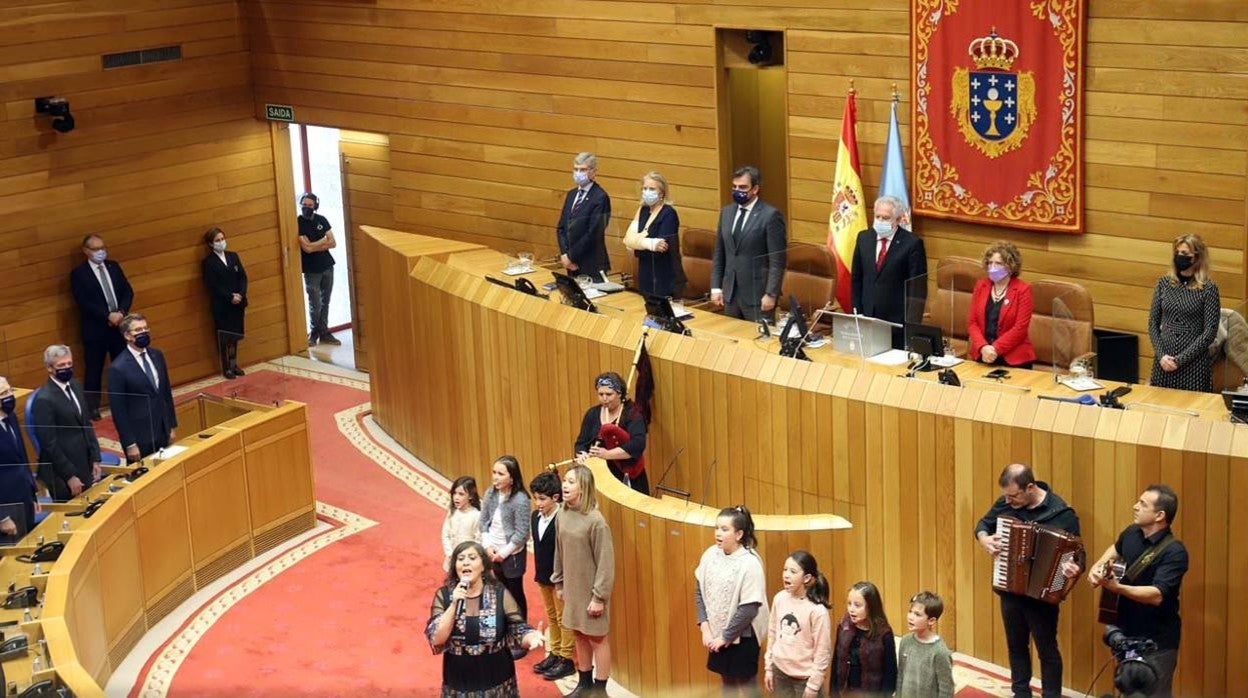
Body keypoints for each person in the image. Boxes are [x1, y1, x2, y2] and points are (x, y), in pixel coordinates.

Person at [974, 463, 1084, 698]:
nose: (1008, 501)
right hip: (1010, 589)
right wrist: (985, 540)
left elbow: (1078, 555)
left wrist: (1075, 568)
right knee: (1016, 646)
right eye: (1006, 495)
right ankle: (1020, 693)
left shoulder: (1062, 514)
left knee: (1047, 651)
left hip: (1042, 597)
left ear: (1030, 487)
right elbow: (983, 525)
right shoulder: (1007, 503)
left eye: (1013, 495)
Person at [1086, 485, 1188, 697]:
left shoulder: (1174, 551)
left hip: (1156, 642)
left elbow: (1157, 595)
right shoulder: (1132, 533)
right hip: (1125, 633)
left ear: (1160, 515)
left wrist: (1118, 588)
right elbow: (1115, 549)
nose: (1135, 506)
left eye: (1143, 504)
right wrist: (1098, 567)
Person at [427, 540, 545, 697]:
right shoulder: (445, 595)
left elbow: (517, 628)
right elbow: (436, 639)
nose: (465, 562)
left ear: (483, 565)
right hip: (459, 681)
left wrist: (530, 637)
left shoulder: (499, 593)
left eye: (472, 557)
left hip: (498, 680)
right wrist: (454, 604)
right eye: (460, 559)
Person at [552, 464, 616, 697]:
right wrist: (558, 582)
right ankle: (584, 684)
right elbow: (558, 550)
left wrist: (599, 597)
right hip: (572, 588)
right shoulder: (563, 513)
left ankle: (600, 690)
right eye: (565, 481)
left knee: (598, 639)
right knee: (579, 634)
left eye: (571, 482)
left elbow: (606, 562)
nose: (565, 485)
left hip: (591, 592)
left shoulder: (596, 521)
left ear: (584, 487)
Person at [694, 505, 769, 695]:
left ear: (739, 534)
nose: (718, 533)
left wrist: (725, 637)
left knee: (748, 686)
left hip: (743, 636)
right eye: (717, 528)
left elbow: (749, 608)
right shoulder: (710, 554)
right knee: (727, 684)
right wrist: (705, 628)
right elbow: (700, 591)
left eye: (724, 529)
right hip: (716, 634)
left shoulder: (750, 562)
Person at [69, 234, 134, 420]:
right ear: (86, 251)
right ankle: (92, 408)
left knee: (123, 366)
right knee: (94, 369)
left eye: (102, 248)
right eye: (96, 249)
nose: (101, 252)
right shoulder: (79, 274)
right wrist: (107, 315)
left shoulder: (113, 267)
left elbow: (127, 291)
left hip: (119, 326)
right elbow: (83, 302)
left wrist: (121, 312)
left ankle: (126, 400)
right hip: (96, 329)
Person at [710, 165, 787, 322]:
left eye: (743, 187)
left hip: (758, 296)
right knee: (731, 340)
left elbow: (777, 260)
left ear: (755, 189)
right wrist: (716, 287)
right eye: (735, 187)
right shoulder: (726, 212)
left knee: (759, 342)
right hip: (730, 293)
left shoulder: (770, 215)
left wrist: (771, 294)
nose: (738, 190)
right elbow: (720, 253)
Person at [850, 196, 927, 348]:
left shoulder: (912, 244)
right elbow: (857, 279)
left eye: (886, 218)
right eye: (877, 216)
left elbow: (917, 289)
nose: (880, 221)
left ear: (898, 220)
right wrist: (856, 312)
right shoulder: (864, 238)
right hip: (867, 317)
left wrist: (911, 326)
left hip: (896, 323)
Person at [1148, 234, 1220, 392]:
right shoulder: (1164, 283)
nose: (1180, 257)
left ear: (1197, 257)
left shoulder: (1208, 288)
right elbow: (1153, 324)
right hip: (1163, 362)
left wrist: (1179, 360)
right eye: (1178, 253)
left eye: (1185, 254)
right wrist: (1162, 356)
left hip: (1193, 365)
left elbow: (1210, 332)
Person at [31, 345, 101, 501]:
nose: (67, 368)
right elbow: (50, 444)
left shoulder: (75, 385)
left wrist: (95, 457)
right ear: (49, 368)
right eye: (61, 365)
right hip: (61, 473)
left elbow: (86, 424)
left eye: (69, 364)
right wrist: (69, 476)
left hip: (83, 461)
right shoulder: (44, 399)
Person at [479, 455, 532, 659]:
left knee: (515, 594)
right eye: (494, 472)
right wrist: (488, 546)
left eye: (501, 474)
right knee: (498, 594)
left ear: (512, 477)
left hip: (511, 555)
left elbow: (521, 534)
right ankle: (503, 632)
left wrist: (503, 552)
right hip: (493, 552)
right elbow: (483, 522)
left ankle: (521, 636)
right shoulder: (491, 493)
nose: (495, 477)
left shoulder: (521, 500)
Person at [107, 314, 177, 462]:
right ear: (127, 335)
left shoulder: (157, 355)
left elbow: (165, 393)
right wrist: (130, 443)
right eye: (138, 330)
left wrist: (171, 426)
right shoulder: (118, 368)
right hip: (141, 437)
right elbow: (118, 411)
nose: (144, 332)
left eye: (145, 328)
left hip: (163, 429)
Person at [765, 550, 833, 697]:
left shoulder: (817, 610)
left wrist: (813, 687)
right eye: (785, 570)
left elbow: (822, 652)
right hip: (780, 673)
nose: (786, 575)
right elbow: (773, 634)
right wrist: (769, 668)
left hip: (805, 679)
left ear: (807, 578)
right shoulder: (779, 598)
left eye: (793, 571)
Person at [529, 470, 576, 680]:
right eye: (535, 498)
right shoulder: (534, 517)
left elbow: (565, 553)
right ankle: (555, 652)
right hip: (543, 575)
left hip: (560, 580)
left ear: (555, 498)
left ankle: (566, 658)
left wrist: (562, 582)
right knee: (551, 616)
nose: (538, 503)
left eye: (542, 499)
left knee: (564, 618)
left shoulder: (562, 519)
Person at [574, 372, 649, 495]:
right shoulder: (592, 414)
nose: (604, 398)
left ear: (620, 394)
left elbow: (638, 444)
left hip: (629, 475)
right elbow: (581, 443)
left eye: (609, 394)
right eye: (601, 394)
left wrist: (608, 454)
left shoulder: (632, 414)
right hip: (600, 476)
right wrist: (581, 454)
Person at [967, 241, 1036, 369]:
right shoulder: (981, 286)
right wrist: (983, 347)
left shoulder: (1023, 290)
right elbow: (973, 323)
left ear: (1011, 266)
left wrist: (995, 349)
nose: (992, 267)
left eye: (998, 263)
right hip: (984, 355)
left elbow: (1020, 328)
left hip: (1014, 359)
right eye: (990, 263)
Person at [622, 171, 684, 298]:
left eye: (651, 189)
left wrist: (639, 245)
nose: (647, 192)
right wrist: (649, 243)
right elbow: (628, 240)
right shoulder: (643, 210)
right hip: (645, 274)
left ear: (661, 192)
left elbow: (661, 248)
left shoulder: (669, 213)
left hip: (664, 276)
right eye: (645, 188)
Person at [831, 581, 897, 696]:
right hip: (846, 692)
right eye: (849, 603)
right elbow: (836, 662)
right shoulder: (844, 626)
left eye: (857, 605)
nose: (851, 609)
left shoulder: (884, 633)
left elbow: (890, 673)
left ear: (870, 607)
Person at [201, 227, 249, 379]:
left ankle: (234, 364)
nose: (221, 242)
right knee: (224, 337)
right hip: (223, 305)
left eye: (222, 239)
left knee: (235, 335)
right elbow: (212, 285)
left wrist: (240, 294)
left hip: (238, 303)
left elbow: (243, 277)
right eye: (217, 240)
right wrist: (230, 296)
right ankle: (226, 367)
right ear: (210, 244)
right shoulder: (208, 262)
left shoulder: (233, 256)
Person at [556, 152, 613, 278]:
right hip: (570, 264)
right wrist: (565, 255)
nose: (578, 173)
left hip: (591, 263)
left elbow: (593, 233)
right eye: (576, 169)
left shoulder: (600, 197)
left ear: (593, 172)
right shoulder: (571, 194)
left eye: (582, 170)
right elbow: (561, 227)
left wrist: (571, 256)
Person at [297, 192, 341, 346]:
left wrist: (314, 244)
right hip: (311, 270)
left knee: (325, 301)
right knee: (314, 303)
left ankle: (324, 332)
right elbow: (306, 248)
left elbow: (333, 242)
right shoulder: (298, 222)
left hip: (327, 266)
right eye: (304, 205)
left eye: (310, 205)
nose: (307, 208)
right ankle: (314, 332)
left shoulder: (322, 219)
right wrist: (322, 241)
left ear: (315, 206)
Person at [895, 591, 954, 698]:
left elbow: (946, 688)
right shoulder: (905, 641)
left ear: (931, 621)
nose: (910, 617)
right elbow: (900, 675)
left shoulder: (940, 652)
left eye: (917, 614)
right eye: (910, 611)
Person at [0, 377, 36, 539]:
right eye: (3, 393)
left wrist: (32, 493)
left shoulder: (11, 417)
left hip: (23, 496)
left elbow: (22, 457)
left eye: (9, 391)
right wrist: (2, 518)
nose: (9, 396)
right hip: (6, 505)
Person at [441, 476, 481, 572]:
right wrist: (449, 553)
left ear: (470, 496)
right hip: (452, 558)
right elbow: (445, 534)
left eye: (461, 494)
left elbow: (479, 541)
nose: (456, 497)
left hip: (469, 562)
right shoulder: (452, 511)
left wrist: (468, 558)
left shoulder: (476, 515)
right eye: (454, 493)